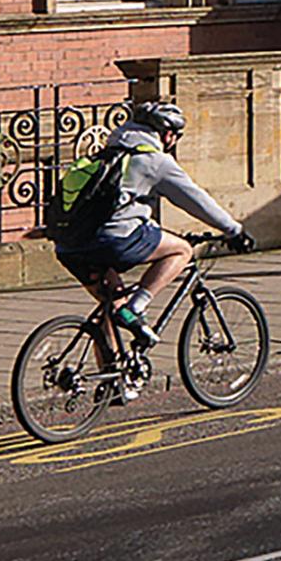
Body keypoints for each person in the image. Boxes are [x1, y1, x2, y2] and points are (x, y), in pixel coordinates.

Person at [52, 97, 248, 379]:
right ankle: (138, 307)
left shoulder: (108, 152)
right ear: (167, 133)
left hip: (70, 245)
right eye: (176, 136)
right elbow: (195, 199)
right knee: (181, 250)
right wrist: (234, 230)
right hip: (113, 240)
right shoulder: (153, 160)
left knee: (111, 304)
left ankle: (111, 379)